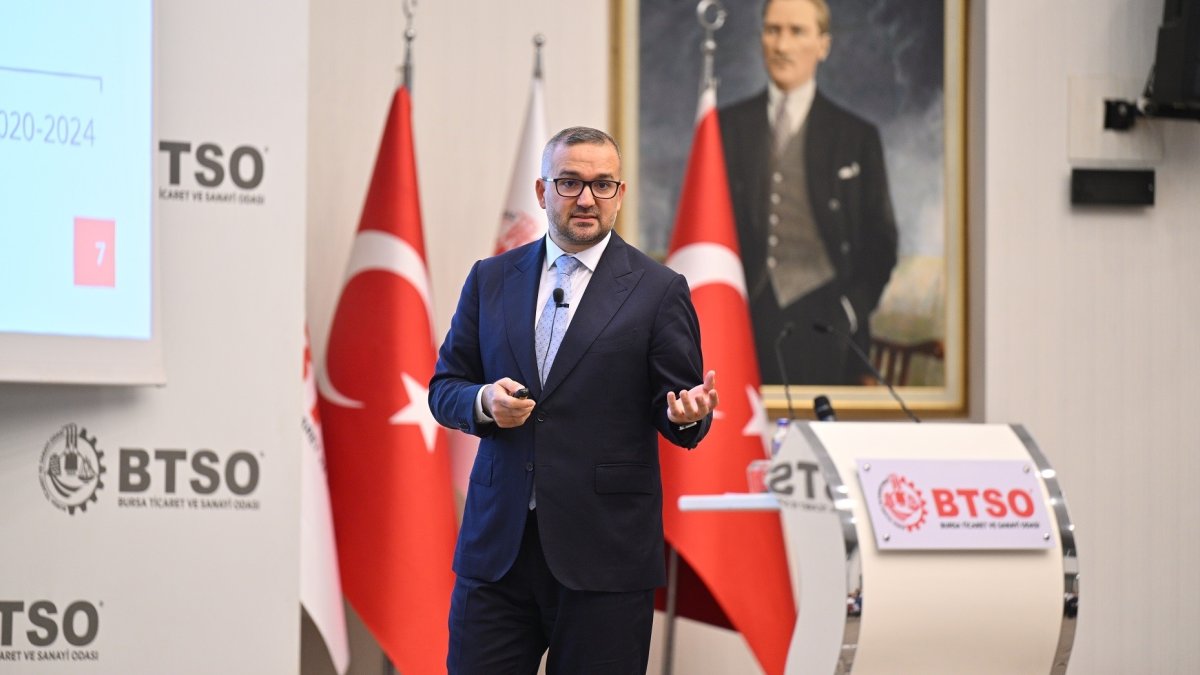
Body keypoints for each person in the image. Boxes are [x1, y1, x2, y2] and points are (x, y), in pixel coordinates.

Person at [429, 126, 719, 674]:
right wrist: (485, 402)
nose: (587, 198)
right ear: (542, 192)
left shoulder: (658, 290)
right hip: (498, 553)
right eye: (570, 182)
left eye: (602, 184)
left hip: (604, 556)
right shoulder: (491, 279)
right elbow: (445, 388)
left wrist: (688, 415)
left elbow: (678, 405)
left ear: (620, 193)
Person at [719, 0, 898, 385]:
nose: (782, 45)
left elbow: (882, 242)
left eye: (796, 31)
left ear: (823, 45)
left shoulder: (856, 136)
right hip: (743, 324)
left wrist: (849, 311)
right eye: (772, 30)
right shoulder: (725, 128)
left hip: (828, 328)